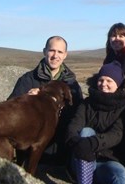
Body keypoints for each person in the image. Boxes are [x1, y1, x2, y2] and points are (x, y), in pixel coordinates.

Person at [8, 36, 83, 165]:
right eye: (52, 50)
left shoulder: (72, 84)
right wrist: (28, 98)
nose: (55, 56)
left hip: (60, 153)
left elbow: (78, 115)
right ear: (44, 51)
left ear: (65, 55)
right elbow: (10, 109)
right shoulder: (28, 79)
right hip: (29, 151)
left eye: (60, 52)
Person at [65, 61, 125, 184]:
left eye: (109, 81)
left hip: (108, 160)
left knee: (121, 175)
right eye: (101, 80)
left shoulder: (124, 108)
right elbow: (74, 126)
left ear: (118, 84)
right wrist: (77, 143)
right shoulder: (87, 104)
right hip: (81, 159)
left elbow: (116, 134)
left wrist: (93, 143)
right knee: (86, 131)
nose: (103, 84)